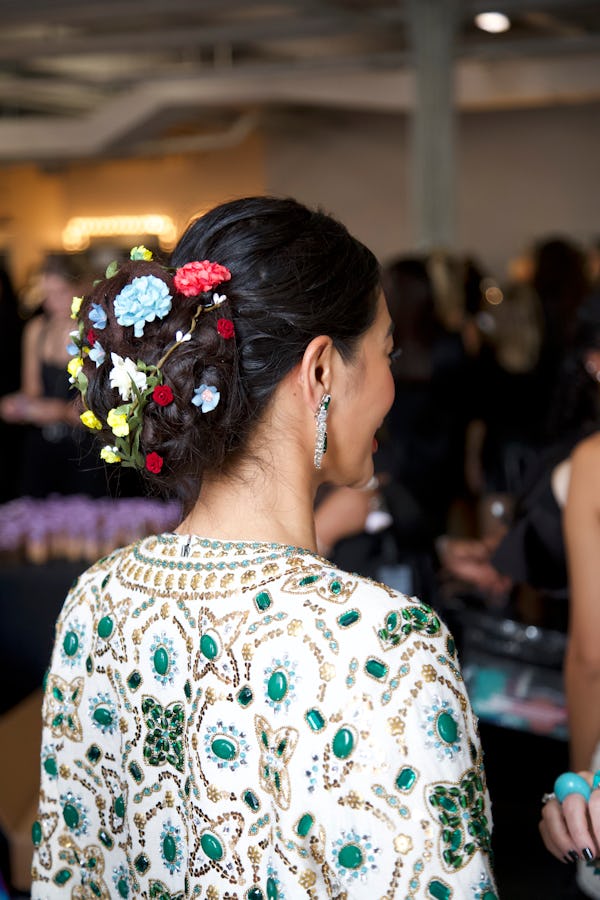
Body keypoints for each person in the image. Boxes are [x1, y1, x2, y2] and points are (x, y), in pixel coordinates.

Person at [31, 197, 495, 898]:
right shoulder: (383, 645)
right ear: (321, 372)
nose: (393, 383)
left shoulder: (95, 604)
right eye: (386, 352)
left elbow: (65, 874)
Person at [0, 254, 107, 497]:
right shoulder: (37, 329)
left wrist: (58, 411)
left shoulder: (95, 333)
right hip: (43, 446)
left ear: (81, 288)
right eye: (46, 294)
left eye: (59, 293)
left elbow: (100, 407)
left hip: (85, 448)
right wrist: (18, 405)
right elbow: (32, 391)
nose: (50, 304)